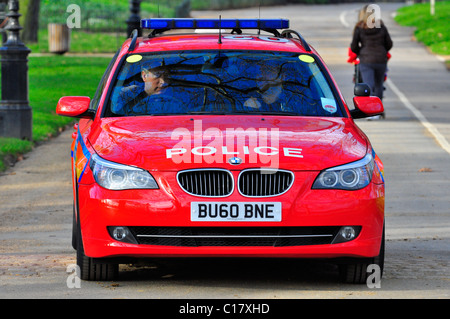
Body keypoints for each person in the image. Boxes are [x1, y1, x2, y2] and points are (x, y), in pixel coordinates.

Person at [350, 5, 393, 103]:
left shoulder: (359, 27)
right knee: (379, 85)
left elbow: (353, 46)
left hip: (366, 60)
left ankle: (369, 108)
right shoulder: (381, 26)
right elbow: (389, 43)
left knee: (368, 84)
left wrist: (360, 52)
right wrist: (383, 51)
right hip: (381, 59)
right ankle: (377, 109)